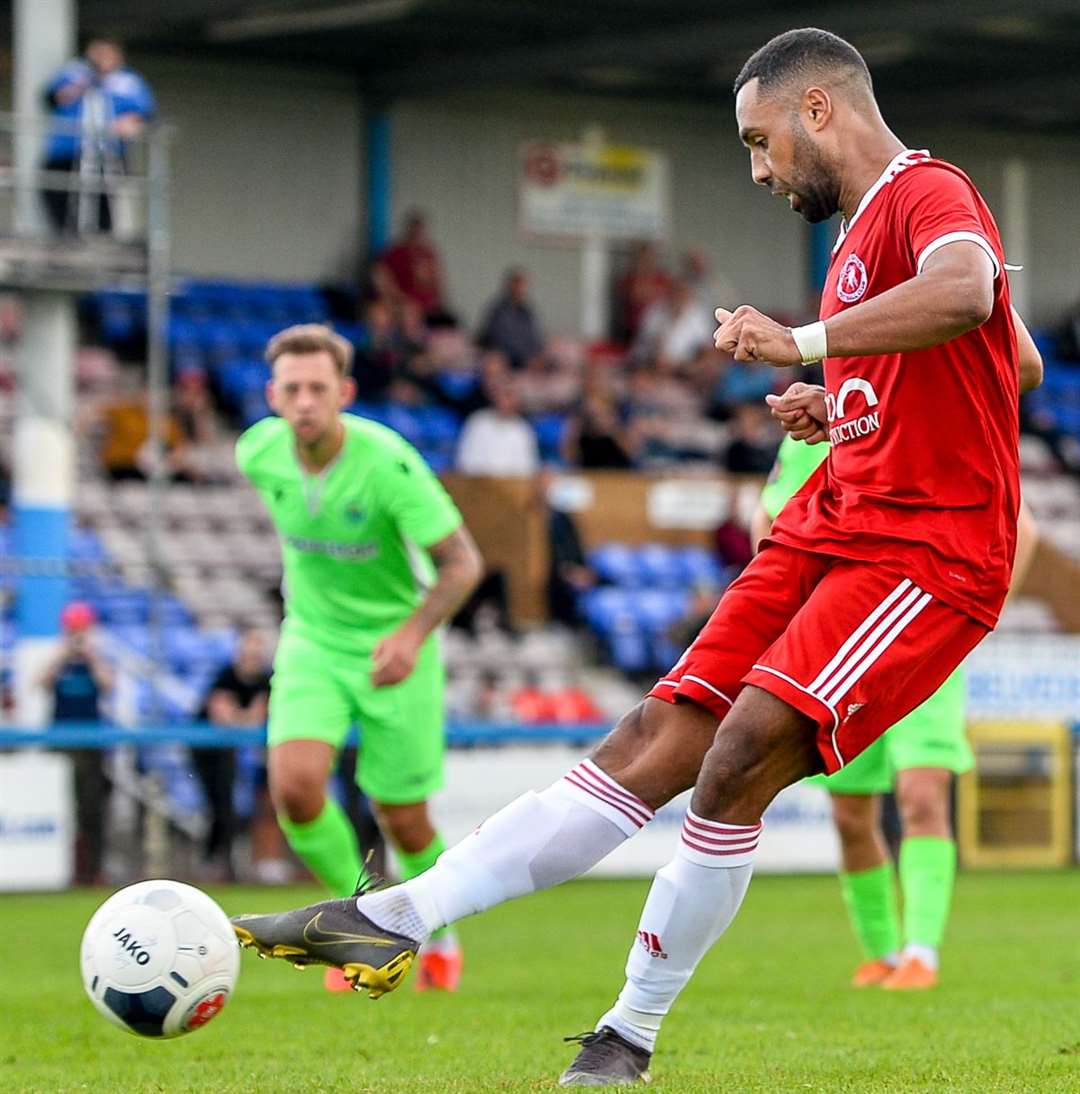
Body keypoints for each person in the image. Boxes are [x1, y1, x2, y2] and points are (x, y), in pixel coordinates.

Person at [230, 28, 1031, 1083]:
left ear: (818, 110)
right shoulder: (856, 240)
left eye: (759, 142)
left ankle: (628, 1034)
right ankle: (391, 917)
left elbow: (974, 298)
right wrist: (840, 403)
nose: (757, 169)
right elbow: (1006, 356)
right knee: (654, 732)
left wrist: (804, 344)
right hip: (839, 515)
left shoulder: (930, 192)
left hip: (926, 545)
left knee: (737, 753)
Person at [233, 323, 482, 992]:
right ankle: (361, 926)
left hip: (396, 645)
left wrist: (410, 634)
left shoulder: (388, 464)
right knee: (295, 788)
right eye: (293, 389)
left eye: (319, 388)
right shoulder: (259, 452)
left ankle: (440, 931)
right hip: (312, 641)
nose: (305, 401)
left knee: (403, 817)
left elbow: (463, 564)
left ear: (344, 392)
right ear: (273, 396)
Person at [753, 424, 1041, 991]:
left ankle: (921, 955)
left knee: (921, 793)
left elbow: (1019, 525)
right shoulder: (811, 429)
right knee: (850, 813)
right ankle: (881, 953)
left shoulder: (925, 415)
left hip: (923, 634)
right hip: (842, 649)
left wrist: (985, 605)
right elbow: (767, 518)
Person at [41, 37, 155, 235]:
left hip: (108, 154)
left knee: (105, 200)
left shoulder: (128, 81)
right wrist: (88, 80)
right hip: (67, 150)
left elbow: (145, 113)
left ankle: (104, 236)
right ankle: (65, 236)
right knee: (57, 191)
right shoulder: (74, 72)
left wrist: (129, 123)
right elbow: (52, 98)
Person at [38, 602, 114, 885]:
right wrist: (63, 655)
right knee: (58, 808)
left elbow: (108, 685)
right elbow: (40, 683)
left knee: (91, 809)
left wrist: (90, 656)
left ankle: (94, 869)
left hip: (90, 743)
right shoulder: (59, 658)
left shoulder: (96, 658)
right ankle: (60, 869)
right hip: (60, 743)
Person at [190, 630, 271, 882]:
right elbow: (223, 715)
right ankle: (214, 860)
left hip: (232, 750)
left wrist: (241, 718)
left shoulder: (265, 680)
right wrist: (244, 718)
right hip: (208, 751)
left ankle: (226, 863)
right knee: (218, 804)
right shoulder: (225, 676)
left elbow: (255, 715)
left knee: (232, 805)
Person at [455, 379, 540, 477]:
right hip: (478, 484)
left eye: (511, 397)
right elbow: (464, 460)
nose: (507, 402)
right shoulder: (477, 422)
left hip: (510, 486)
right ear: (495, 398)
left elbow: (528, 467)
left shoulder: (523, 429)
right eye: (504, 396)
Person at [477, 268, 546, 371]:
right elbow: (500, 340)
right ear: (509, 286)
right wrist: (526, 356)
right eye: (517, 285)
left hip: (524, 359)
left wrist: (537, 354)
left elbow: (534, 338)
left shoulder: (527, 311)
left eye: (523, 286)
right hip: (505, 360)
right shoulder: (499, 310)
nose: (520, 289)